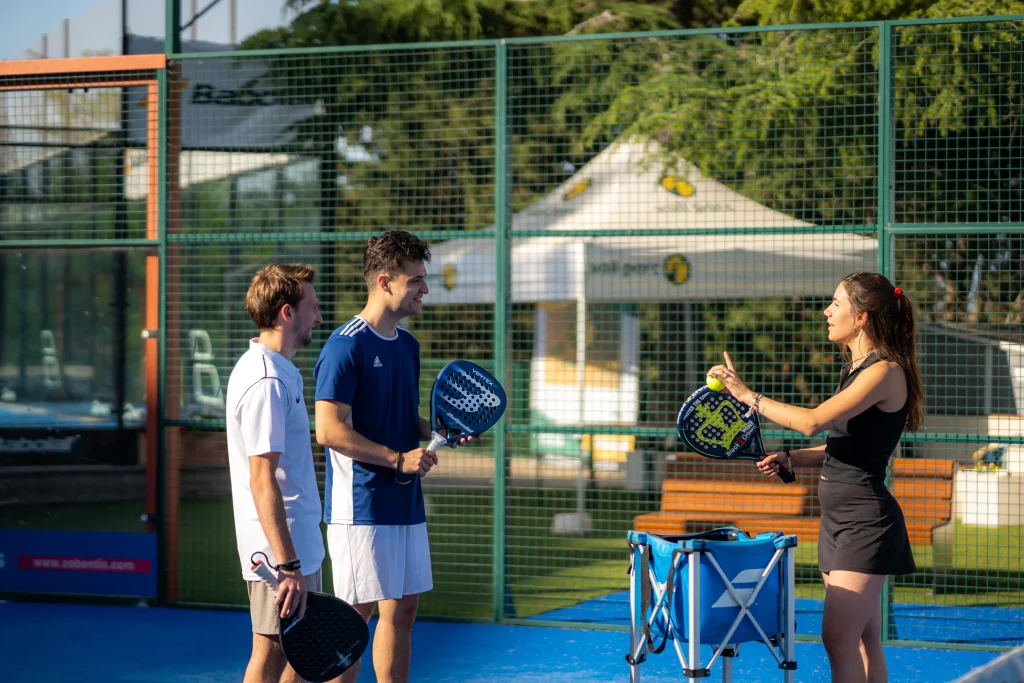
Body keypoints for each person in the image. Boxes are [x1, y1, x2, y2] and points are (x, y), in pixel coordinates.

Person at [707, 272, 923, 683]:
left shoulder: (884, 372)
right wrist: (791, 458)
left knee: (838, 640)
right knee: (862, 640)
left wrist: (747, 395)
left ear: (861, 317)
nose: (826, 311)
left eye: (836, 303)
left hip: (865, 522)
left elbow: (812, 422)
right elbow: (846, 448)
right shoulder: (857, 369)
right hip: (839, 520)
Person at [313, 230, 468, 683]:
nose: (425, 288)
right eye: (416, 279)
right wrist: (399, 459)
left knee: (403, 609)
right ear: (385, 281)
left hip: (405, 504)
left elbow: (401, 418)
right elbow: (328, 429)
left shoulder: (407, 345)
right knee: (352, 619)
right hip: (361, 506)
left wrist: (437, 431)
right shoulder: (345, 345)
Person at [225, 263, 326, 683]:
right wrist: (287, 566)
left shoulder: (279, 371)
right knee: (271, 652)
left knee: (296, 654)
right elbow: (261, 479)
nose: (319, 317)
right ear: (287, 312)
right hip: (280, 556)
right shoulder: (266, 380)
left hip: (296, 545)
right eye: (313, 307)